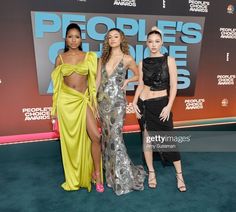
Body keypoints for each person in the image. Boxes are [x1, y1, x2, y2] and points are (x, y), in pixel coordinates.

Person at [132, 26, 187, 192]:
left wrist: (168, 106)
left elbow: (173, 85)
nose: (153, 44)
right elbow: (141, 84)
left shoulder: (169, 60)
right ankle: (151, 172)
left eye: (157, 41)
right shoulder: (143, 63)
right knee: (147, 140)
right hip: (143, 104)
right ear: (146, 43)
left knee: (168, 141)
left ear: (162, 42)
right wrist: (134, 102)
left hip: (161, 104)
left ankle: (180, 175)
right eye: (150, 42)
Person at [51, 23, 104, 192]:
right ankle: (75, 175)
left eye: (77, 36)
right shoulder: (60, 58)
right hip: (65, 103)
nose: (73, 40)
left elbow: (95, 82)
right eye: (70, 36)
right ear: (66, 39)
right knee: (71, 143)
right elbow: (57, 86)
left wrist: (94, 102)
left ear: (81, 39)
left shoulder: (89, 56)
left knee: (95, 136)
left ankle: (96, 173)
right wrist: (55, 112)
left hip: (83, 100)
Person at [96, 28, 146, 196]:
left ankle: (122, 177)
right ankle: (110, 175)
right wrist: (94, 102)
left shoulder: (127, 59)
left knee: (115, 138)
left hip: (117, 103)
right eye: (109, 37)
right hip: (102, 103)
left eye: (115, 36)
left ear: (121, 39)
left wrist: (128, 80)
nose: (112, 39)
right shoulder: (101, 59)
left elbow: (140, 76)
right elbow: (97, 82)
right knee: (107, 138)